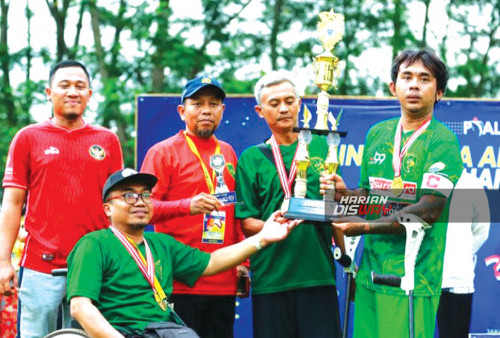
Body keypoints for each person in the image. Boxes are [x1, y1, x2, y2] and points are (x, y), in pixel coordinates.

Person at [321, 49, 463, 338]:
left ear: (439, 92)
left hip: (415, 278)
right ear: (392, 87)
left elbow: (428, 210)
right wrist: (344, 194)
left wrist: (362, 227)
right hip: (370, 277)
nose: (414, 85)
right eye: (406, 77)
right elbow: (368, 195)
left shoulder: (443, 141)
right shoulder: (378, 133)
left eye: (424, 79)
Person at [67, 168, 300, 337]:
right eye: (129, 195)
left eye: (146, 195)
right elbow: (80, 306)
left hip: (163, 331)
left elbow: (211, 262)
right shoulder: (94, 243)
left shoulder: (161, 243)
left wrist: (262, 238)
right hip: (119, 331)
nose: (140, 201)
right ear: (108, 208)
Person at [0, 60, 123, 337]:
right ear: (48, 92)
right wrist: (3, 261)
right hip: (39, 265)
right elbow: (11, 203)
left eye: (80, 86)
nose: (72, 92)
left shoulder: (107, 140)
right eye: (64, 85)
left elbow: (118, 206)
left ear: (90, 94)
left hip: (94, 266)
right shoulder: (28, 138)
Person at [235, 71, 342, 338]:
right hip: (272, 279)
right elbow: (247, 222)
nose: (283, 108)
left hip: (318, 274)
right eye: (274, 103)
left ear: (299, 103)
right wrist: (276, 228)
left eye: (289, 100)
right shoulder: (251, 158)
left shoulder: (322, 147)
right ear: (260, 111)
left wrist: (341, 194)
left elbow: (338, 210)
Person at [140, 76, 246, 338]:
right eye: (197, 103)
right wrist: (187, 206)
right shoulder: (162, 152)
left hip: (222, 280)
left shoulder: (229, 152)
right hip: (179, 280)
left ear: (222, 110)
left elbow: (234, 212)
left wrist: (242, 261)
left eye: (213, 103)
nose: (206, 110)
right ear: (182, 111)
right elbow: (141, 209)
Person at [437, 171, 490, 338]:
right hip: (422, 280)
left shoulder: (470, 182)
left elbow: (482, 229)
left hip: (456, 279)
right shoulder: (421, 179)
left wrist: (461, 253)